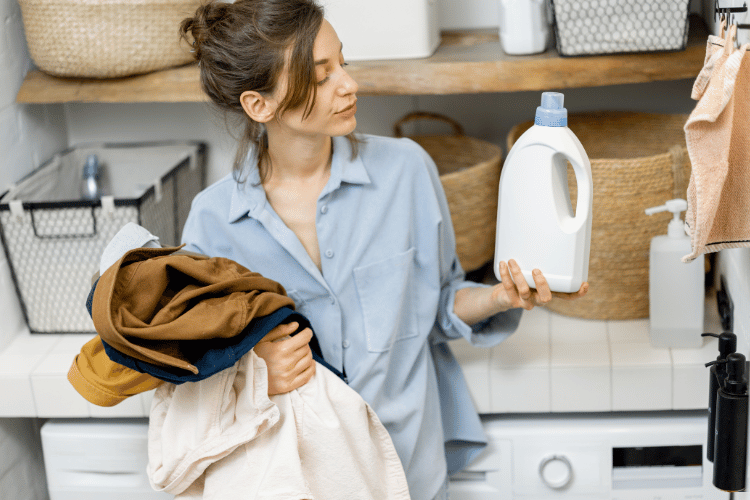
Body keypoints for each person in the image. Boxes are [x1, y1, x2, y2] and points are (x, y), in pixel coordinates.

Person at [178, 1, 588, 499]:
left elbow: (434, 307)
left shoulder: (407, 171)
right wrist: (256, 365)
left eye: (343, 64)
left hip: (408, 469)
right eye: (320, 76)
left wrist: (501, 297)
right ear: (259, 105)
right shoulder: (213, 221)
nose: (348, 85)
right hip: (296, 480)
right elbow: (189, 364)